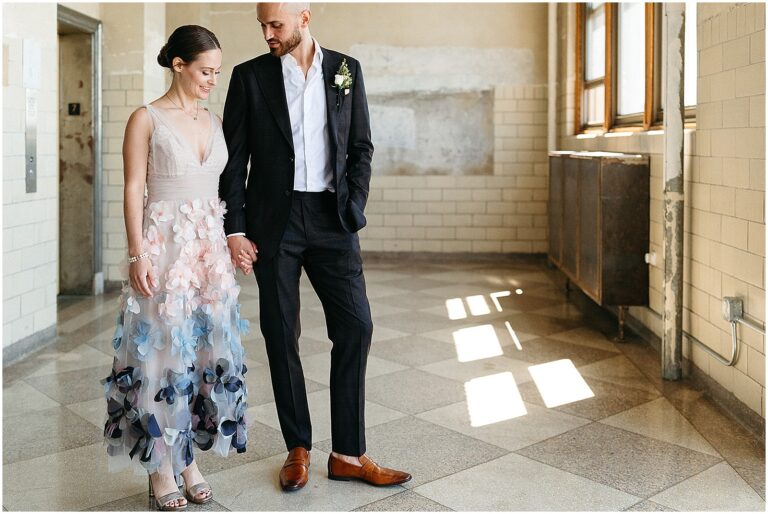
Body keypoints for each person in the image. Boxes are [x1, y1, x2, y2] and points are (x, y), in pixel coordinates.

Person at [219, 2, 411, 492]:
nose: (267, 34)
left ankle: (347, 452)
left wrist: (355, 206)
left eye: (275, 24)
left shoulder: (346, 70)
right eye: (262, 25)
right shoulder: (248, 77)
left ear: (304, 18)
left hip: (332, 219)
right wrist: (235, 228)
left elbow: (361, 146)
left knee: (356, 327)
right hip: (272, 223)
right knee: (282, 335)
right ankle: (298, 447)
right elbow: (233, 159)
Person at [102, 25, 251, 511]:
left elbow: (224, 187)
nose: (212, 80)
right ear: (179, 65)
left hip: (208, 251)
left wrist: (231, 241)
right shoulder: (146, 118)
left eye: (217, 72)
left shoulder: (213, 120)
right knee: (162, 355)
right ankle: (162, 467)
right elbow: (132, 189)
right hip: (164, 250)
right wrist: (136, 253)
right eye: (206, 71)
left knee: (203, 355)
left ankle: (189, 460)